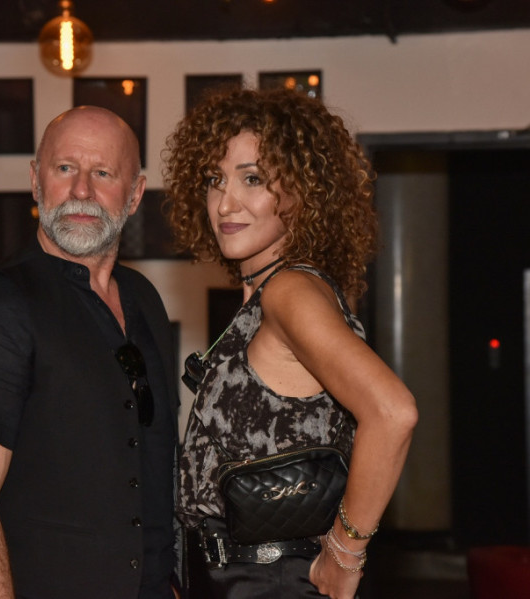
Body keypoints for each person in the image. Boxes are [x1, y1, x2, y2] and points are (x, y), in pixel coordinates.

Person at [163, 88, 418, 599]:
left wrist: (345, 555)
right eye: (214, 179)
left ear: (303, 192)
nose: (225, 203)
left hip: (268, 581)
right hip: (234, 578)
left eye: (252, 179)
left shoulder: (289, 292)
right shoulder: (274, 292)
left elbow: (393, 412)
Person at [0, 106, 179, 599]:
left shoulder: (145, 299)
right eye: (65, 168)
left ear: (134, 195)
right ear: (35, 180)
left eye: (103, 173)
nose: (81, 190)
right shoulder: (0, 308)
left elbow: (153, 471)